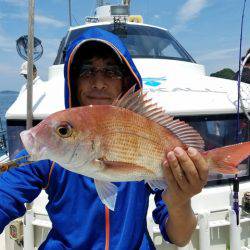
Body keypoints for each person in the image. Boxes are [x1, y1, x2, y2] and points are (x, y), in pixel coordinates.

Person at [0, 28, 208, 249]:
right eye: (87, 71)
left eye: (110, 72)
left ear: (124, 81)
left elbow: (180, 237)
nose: (98, 83)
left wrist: (180, 201)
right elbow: (5, 193)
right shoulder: (51, 149)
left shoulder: (145, 138)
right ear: (74, 81)